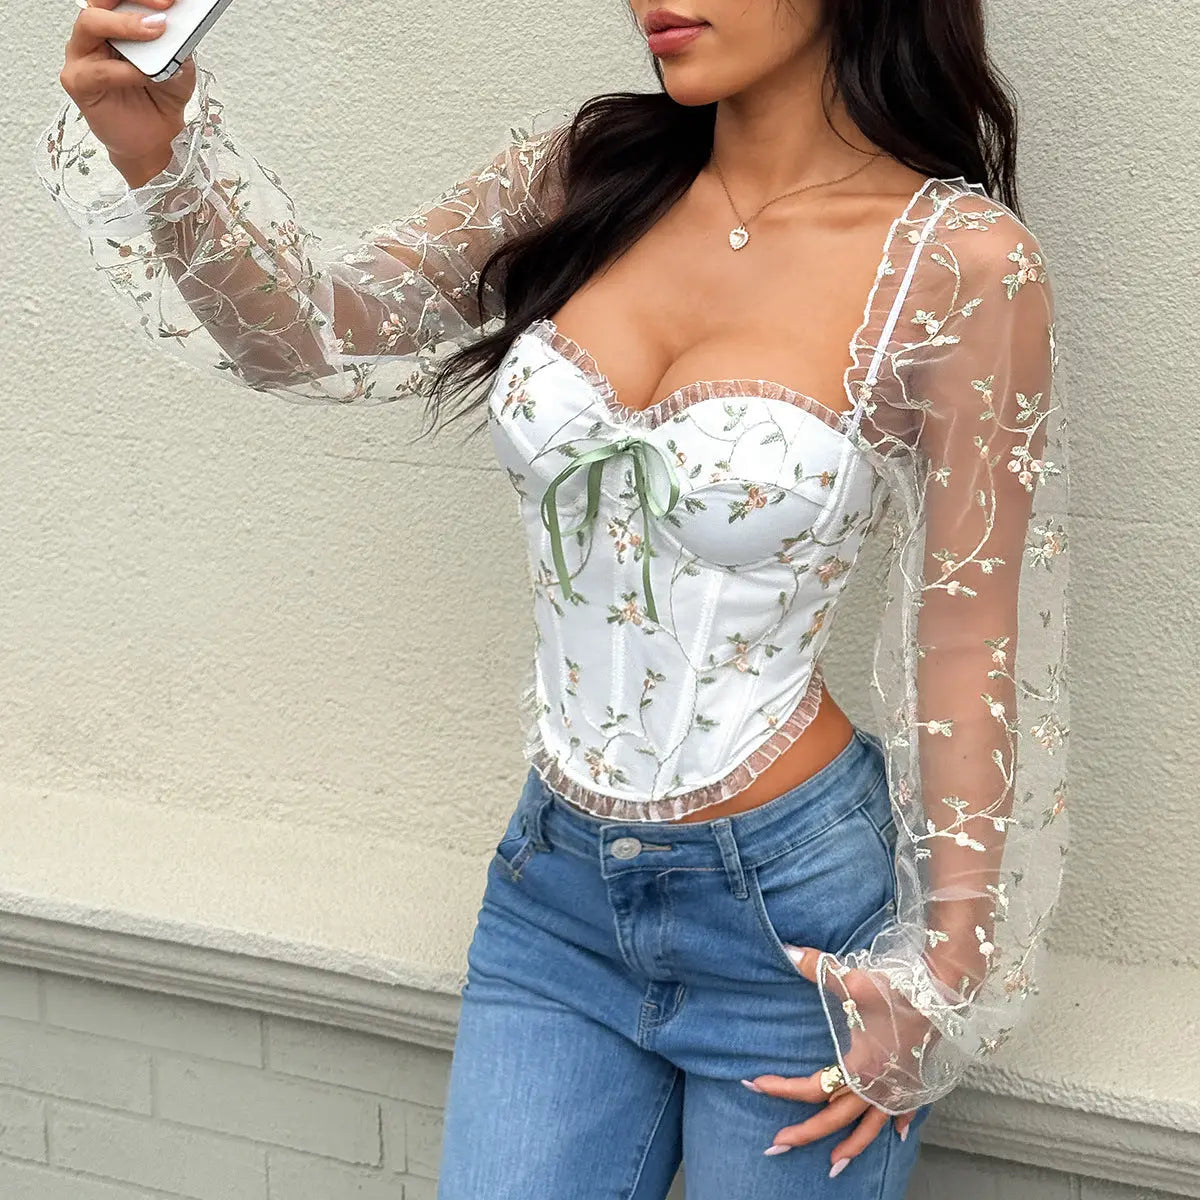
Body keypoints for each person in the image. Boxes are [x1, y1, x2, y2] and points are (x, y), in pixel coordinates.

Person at [36, 1, 1070, 1196]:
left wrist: (945, 972)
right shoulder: (585, 176)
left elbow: (968, 630)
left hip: (798, 932)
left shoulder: (960, 263)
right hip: (557, 897)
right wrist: (157, 152)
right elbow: (315, 332)